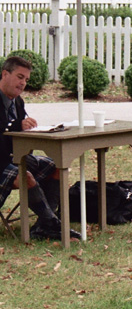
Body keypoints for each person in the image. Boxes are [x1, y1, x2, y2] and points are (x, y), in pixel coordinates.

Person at [0, 55, 80, 241]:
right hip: (1, 162)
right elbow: (9, 126)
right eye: (20, 77)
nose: (23, 84)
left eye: (26, 80)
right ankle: (52, 224)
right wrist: (17, 125)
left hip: (15, 157)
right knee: (24, 176)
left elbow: (19, 128)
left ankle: (44, 226)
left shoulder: (18, 101)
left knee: (57, 165)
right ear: (5, 74)